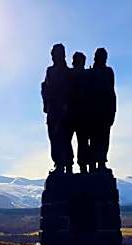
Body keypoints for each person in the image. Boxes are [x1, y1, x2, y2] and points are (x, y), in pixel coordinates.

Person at [41, 43, 74, 174]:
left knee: (66, 138)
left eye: (57, 54)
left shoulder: (68, 73)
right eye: (53, 54)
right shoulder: (50, 71)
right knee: (54, 138)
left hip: (66, 110)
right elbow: (46, 88)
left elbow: (72, 91)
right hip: (53, 109)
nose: (54, 57)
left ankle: (68, 165)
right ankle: (59, 164)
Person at [89, 47, 116, 172]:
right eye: (100, 56)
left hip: (105, 111)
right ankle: (93, 163)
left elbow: (112, 92)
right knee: (93, 139)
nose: (103, 59)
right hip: (93, 111)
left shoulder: (109, 72)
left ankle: (101, 162)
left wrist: (112, 111)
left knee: (104, 139)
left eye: (104, 56)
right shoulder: (90, 72)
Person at [69, 52, 93, 173]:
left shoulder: (87, 75)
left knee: (82, 142)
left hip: (81, 114)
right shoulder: (70, 74)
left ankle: (80, 166)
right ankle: (73, 166)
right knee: (72, 141)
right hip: (73, 113)